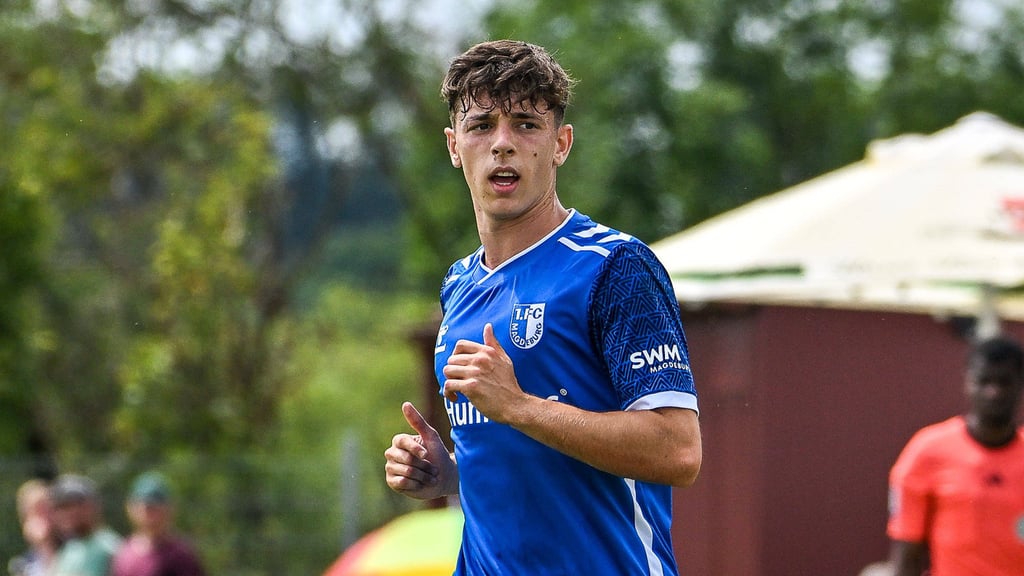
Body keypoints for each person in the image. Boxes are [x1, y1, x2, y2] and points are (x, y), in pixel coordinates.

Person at [384, 39, 702, 575]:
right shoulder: (458, 283)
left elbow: (677, 451)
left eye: (526, 125)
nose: (502, 144)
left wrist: (519, 406)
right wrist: (453, 475)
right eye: (482, 125)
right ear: (453, 145)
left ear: (561, 143)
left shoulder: (614, 267)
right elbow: (530, 462)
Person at [887, 334, 1024, 575]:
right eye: (984, 381)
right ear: (967, 381)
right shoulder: (927, 451)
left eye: (1004, 382)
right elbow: (908, 549)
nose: (994, 392)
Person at [110, 471, 206, 576]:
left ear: (169, 509)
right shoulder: (124, 552)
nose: (149, 515)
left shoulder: (181, 555)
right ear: (130, 508)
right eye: (146, 508)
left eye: (155, 508)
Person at [49, 473, 122, 576]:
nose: (66, 513)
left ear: (92, 506)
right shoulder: (68, 550)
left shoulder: (110, 548)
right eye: (61, 507)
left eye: (73, 504)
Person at [8, 479, 60, 576]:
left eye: (47, 509)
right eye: (38, 511)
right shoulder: (22, 565)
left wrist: (47, 544)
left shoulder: (73, 548)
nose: (45, 517)